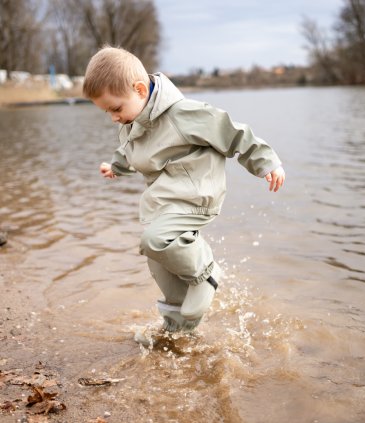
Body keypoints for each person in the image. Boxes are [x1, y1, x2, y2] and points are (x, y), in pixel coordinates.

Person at [83, 46, 285, 346]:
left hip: (196, 195)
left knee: (153, 240)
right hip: (165, 200)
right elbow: (132, 150)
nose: (113, 117)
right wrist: (116, 167)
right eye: (107, 112)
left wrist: (266, 161)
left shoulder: (184, 114)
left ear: (140, 89)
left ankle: (207, 272)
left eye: (115, 108)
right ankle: (179, 329)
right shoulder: (133, 121)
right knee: (157, 257)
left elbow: (234, 133)